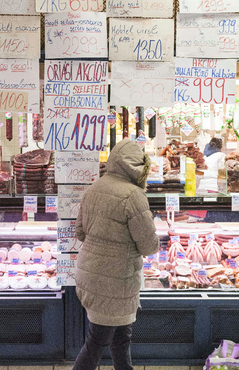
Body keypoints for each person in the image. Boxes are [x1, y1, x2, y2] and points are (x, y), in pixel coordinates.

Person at [73, 139, 160, 370]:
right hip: (114, 281)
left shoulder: (95, 187)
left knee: (121, 338)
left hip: (91, 275)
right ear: (139, 167)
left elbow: (80, 232)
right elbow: (149, 246)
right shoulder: (133, 195)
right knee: (97, 342)